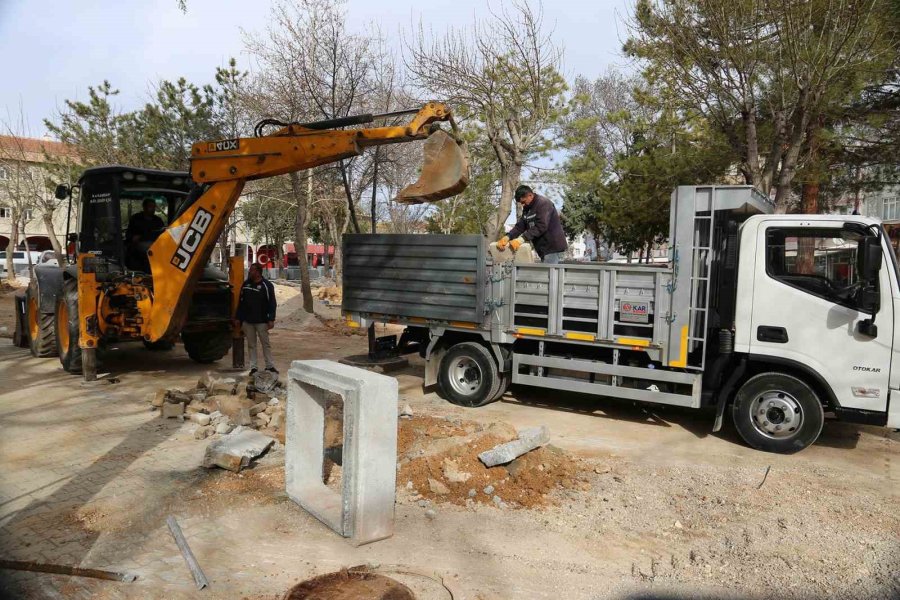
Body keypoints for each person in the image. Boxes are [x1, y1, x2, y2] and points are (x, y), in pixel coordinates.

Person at [497, 184, 568, 263]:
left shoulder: (543, 204)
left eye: (523, 202)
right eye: (521, 203)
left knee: (549, 274)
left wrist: (522, 239)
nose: (523, 205)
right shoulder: (527, 208)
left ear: (530, 195)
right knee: (547, 274)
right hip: (543, 249)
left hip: (553, 248)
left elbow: (541, 226)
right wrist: (508, 236)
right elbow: (520, 226)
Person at [234, 263, 278, 375]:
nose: (250, 272)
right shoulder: (246, 284)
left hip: (262, 321)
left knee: (265, 344)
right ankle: (253, 367)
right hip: (248, 322)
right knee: (251, 345)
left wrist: (271, 319)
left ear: (258, 272)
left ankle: (270, 366)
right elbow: (241, 302)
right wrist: (238, 318)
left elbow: (272, 303)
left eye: (252, 270)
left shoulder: (267, 286)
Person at [125, 199, 165, 271]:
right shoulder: (136, 219)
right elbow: (129, 235)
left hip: (157, 244)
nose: (152, 209)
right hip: (139, 244)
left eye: (153, 207)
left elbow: (163, 233)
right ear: (144, 207)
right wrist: (134, 238)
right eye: (150, 206)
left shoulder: (158, 220)